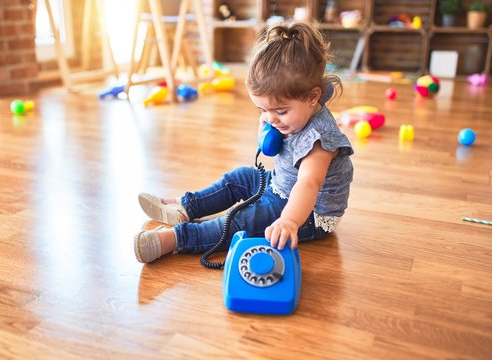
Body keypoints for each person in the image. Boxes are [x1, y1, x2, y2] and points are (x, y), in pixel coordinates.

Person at [134, 22, 353, 264]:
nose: (270, 119)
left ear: (313, 97)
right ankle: (185, 207)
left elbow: (309, 183)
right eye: (262, 109)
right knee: (239, 178)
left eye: (279, 111)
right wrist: (272, 122)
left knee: (241, 220)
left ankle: (174, 239)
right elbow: (323, 89)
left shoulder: (319, 141)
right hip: (281, 185)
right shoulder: (301, 104)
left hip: (308, 213)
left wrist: (289, 221)